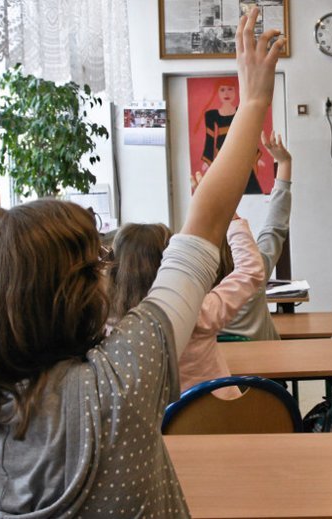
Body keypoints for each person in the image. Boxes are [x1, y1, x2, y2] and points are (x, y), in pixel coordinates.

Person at [0, 9, 284, 517]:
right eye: (99, 261)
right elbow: (204, 226)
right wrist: (254, 100)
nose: (108, 269)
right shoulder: (120, 378)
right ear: (77, 291)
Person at [109, 216, 263, 400]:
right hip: (219, 420)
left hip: (153, 426)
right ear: (169, 261)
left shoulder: (109, 327)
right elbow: (250, 270)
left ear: (115, 267)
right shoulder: (199, 312)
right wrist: (232, 219)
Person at [221, 130, 293, 341]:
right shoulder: (255, 270)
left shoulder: (190, 290)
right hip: (264, 373)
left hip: (214, 374)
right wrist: (284, 163)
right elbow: (275, 227)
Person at [196, 78, 266, 194]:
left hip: (243, 153)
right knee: (224, 191)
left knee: (251, 188)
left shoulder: (241, 110)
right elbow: (210, 138)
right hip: (222, 154)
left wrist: (255, 156)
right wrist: (207, 160)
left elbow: (249, 135)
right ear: (217, 92)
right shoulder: (211, 114)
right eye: (222, 90)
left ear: (235, 92)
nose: (227, 93)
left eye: (230, 89)